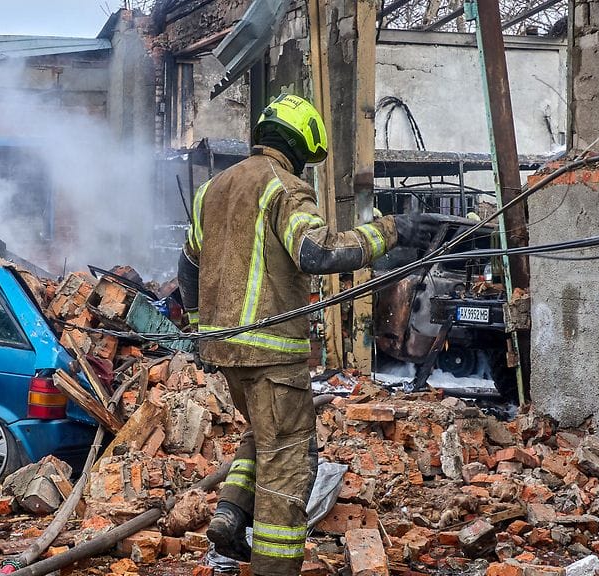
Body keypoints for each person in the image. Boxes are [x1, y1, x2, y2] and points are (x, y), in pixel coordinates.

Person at [177, 93, 439, 576]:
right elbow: (316, 252)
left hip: (226, 354)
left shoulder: (210, 189)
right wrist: (391, 230)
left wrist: (199, 331)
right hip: (274, 356)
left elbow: (188, 264)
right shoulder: (285, 187)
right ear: (299, 148)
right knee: (289, 471)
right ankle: (273, 567)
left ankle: (230, 513)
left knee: (264, 433)